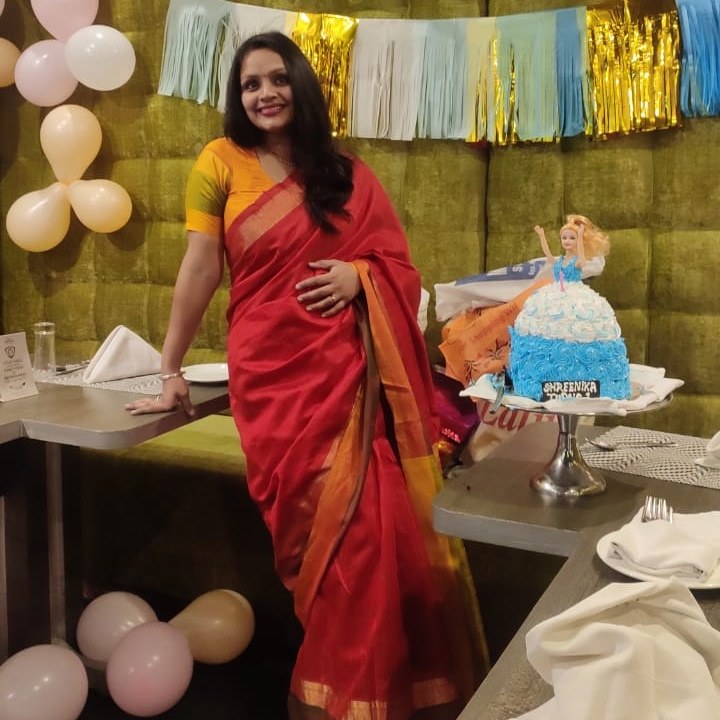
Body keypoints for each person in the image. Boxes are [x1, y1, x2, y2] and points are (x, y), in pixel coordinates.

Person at [125, 31, 487, 720]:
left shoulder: (346, 173)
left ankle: (359, 697)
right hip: (270, 381)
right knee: (312, 541)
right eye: (249, 84)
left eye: (276, 78)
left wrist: (361, 275)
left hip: (347, 381)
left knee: (372, 535)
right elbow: (201, 266)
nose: (264, 93)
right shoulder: (218, 161)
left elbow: (399, 267)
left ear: (301, 83)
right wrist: (169, 366)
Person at [535, 213, 610, 283]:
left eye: (572, 238)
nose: (567, 241)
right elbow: (547, 252)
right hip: (557, 290)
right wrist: (541, 236)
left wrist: (580, 236)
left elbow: (581, 252)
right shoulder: (558, 262)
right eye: (564, 238)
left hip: (573, 290)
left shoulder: (577, 262)